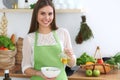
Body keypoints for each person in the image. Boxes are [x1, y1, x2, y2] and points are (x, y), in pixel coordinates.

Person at [22, 0, 76, 80]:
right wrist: (39, 73)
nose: (47, 18)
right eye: (42, 13)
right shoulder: (30, 38)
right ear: (36, 14)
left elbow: (71, 64)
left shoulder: (62, 33)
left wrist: (70, 56)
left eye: (50, 14)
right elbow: (25, 68)